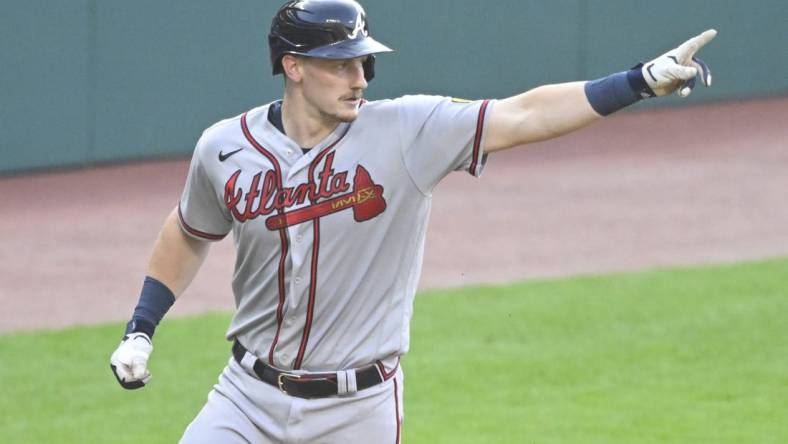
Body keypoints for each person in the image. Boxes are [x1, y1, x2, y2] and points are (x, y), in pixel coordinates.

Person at [109, 0, 717, 442]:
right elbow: (189, 232)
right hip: (246, 397)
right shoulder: (224, 147)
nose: (360, 77)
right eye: (342, 64)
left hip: (357, 411)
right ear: (294, 67)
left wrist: (637, 82)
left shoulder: (408, 129)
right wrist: (142, 326)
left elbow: (524, 115)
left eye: (364, 62)